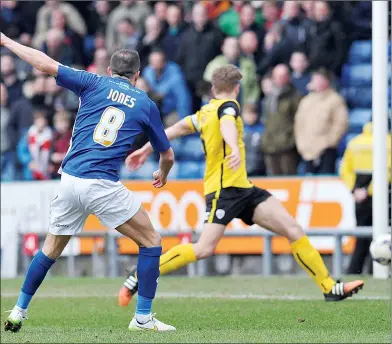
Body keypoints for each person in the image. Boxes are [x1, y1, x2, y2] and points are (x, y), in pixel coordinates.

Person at [118, 64, 364, 307]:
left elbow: (175, 129)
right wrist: (234, 147)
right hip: (223, 191)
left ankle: (329, 287)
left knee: (293, 230)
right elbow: (227, 122)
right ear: (236, 89)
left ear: (213, 88)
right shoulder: (229, 106)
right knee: (204, 248)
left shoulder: (204, 112)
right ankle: (139, 275)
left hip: (243, 189)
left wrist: (145, 149)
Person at [1, 32, 175, 332]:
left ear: (109, 71)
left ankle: (18, 310)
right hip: (101, 184)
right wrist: (163, 172)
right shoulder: (145, 103)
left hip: (69, 180)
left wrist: (6, 43)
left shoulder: (92, 82)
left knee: (50, 250)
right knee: (151, 242)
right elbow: (167, 154)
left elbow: (45, 64)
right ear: (137, 75)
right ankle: (143, 318)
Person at [340, 122, 392, 274]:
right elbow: (387, 173)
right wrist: (370, 190)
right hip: (383, 197)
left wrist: (355, 189)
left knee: (361, 239)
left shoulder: (355, 142)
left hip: (359, 198)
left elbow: (345, 169)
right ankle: (376, 271)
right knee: (383, 237)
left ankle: (353, 272)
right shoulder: (388, 142)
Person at [294, 68, 348, 174]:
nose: (314, 82)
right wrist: (301, 144)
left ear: (326, 81)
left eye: (317, 79)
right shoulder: (306, 101)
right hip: (307, 150)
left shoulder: (335, 100)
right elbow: (299, 124)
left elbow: (341, 124)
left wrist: (329, 142)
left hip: (326, 150)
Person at [261, 64, 301, 175]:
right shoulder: (268, 97)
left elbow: (299, 121)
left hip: (287, 145)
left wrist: (292, 139)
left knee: (289, 178)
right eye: (278, 76)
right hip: (270, 144)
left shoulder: (294, 96)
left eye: (283, 75)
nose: (280, 78)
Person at [204, 37, 259, 107]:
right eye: (230, 46)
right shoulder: (215, 65)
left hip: (244, 107)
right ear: (223, 48)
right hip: (220, 108)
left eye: (236, 46)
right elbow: (207, 87)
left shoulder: (248, 65)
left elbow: (254, 87)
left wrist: (251, 103)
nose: (233, 48)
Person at [142, 49, 191, 124]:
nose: (154, 66)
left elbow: (183, 99)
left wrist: (184, 121)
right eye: (152, 62)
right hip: (153, 110)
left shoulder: (175, 75)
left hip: (171, 111)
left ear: (164, 62)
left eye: (158, 62)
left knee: (172, 126)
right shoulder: (147, 72)